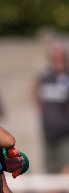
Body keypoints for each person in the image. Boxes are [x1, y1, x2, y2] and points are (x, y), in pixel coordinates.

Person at [34, 41, 69, 174]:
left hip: (65, 134)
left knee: (66, 171)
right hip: (48, 134)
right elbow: (35, 91)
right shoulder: (45, 78)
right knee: (51, 173)